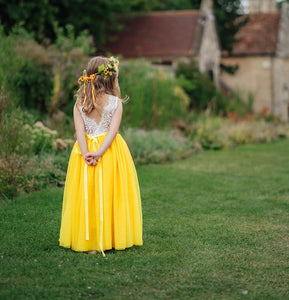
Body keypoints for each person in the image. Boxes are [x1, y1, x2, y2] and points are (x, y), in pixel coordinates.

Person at [59, 56, 143, 256]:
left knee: (88, 194)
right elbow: (113, 132)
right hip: (110, 151)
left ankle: (91, 240)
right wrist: (99, 152)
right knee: (110, 193)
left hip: (84, 150)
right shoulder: (115, 102)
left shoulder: (80, 102)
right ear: (110, 77)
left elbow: (79, 132)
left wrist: (87, 152)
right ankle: (110, 237)